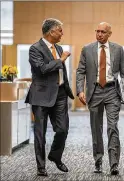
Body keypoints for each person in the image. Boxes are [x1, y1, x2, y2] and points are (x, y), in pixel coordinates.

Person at [76, 22, 124, 175]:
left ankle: (114, 163)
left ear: (109, 34)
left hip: (111, 91)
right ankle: (98, 160)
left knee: (112, 126)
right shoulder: (87, 49)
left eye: (103, 32)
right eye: (97, 31)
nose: (99, 34)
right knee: (96, 128)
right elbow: (80, 71)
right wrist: (80, 90)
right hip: (94, 92)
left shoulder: (118, 49)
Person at [25, 18, 74, 176]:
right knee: (40, 133)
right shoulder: (35, 48)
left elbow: (60, 72)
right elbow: (42, 69)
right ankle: (41, 167)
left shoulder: (59, 48)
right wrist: (61, 60)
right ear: (51, 32)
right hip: (41, 96)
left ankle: (55, 156)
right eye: (60, 30)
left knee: (62, 130)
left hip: (60, 95)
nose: (62, 33)